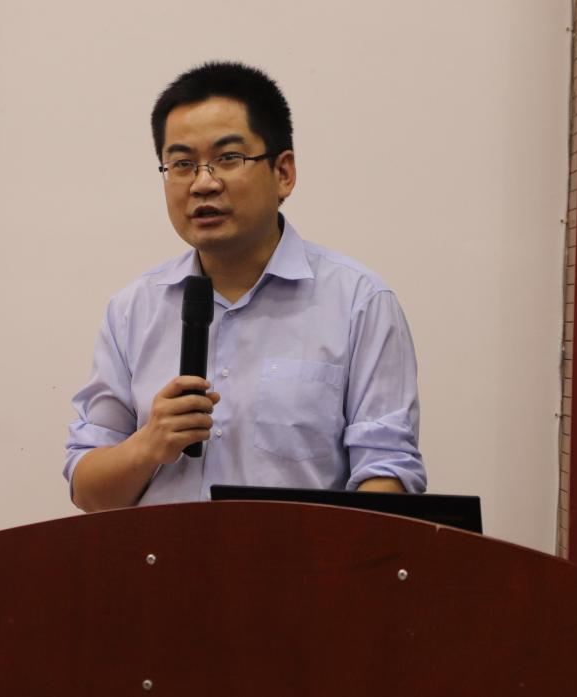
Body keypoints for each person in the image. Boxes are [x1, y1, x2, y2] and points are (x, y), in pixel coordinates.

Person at [65, 62, 425, 512]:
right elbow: (89, 493)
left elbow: (388, 471)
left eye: (228, 158)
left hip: (302, 558)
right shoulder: (131, 310)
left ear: (283, 173)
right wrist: (149, 445)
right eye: (182, 164)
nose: (203, 183)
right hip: (161, 558)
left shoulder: (359, 303)